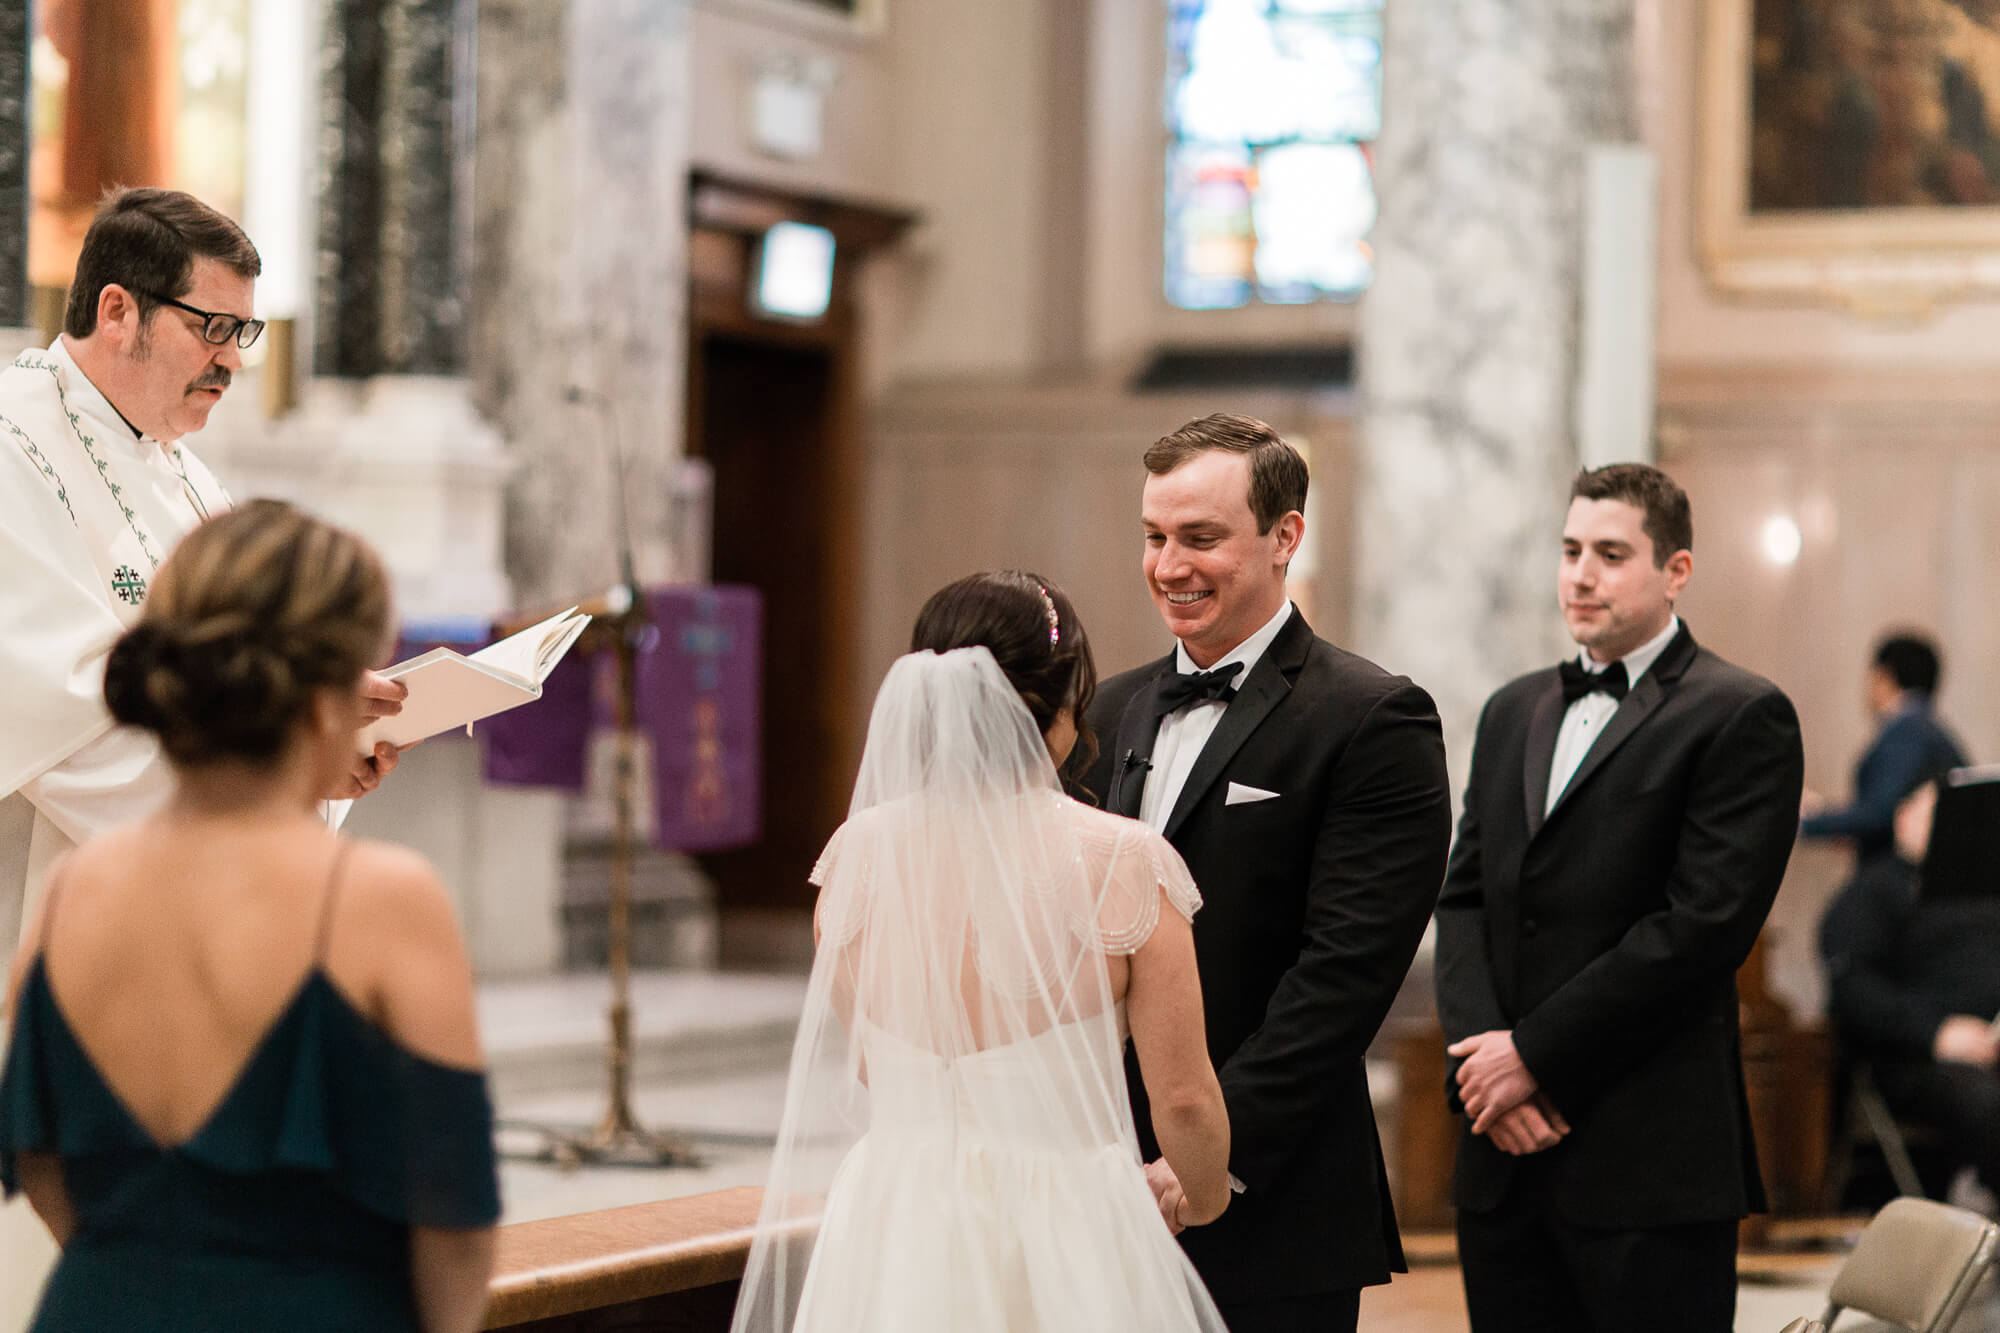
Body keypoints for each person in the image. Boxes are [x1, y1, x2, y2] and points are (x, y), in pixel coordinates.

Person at [0, 500, 500, 1332]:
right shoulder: (384, 900)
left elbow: (40, 1163)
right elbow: (455, 1222)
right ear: (325, 700)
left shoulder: (71, 892)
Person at [732, 571, 1233, 1333]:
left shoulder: (856, 858)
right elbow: (1186, 1099)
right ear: (1064, 705)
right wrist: (1204, 1194)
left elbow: (870, 1060)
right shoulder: (1124, 862)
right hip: (1065, 1224)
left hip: (895, 1218)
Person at [1074, 415, 1453, 1333]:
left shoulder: (1373, 718)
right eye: (1155, 537)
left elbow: (1343, 975)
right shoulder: (1108, 709)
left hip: (1270, 1195)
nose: (1170, 565)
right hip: (1092, 1190)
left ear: (1286, 536)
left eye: (1201, 538)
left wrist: (1206, 1154)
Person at [1434, 463, 1805, 1333]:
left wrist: (1534, 1054)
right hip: (1503, 1153)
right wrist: (1488, 1074)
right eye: (1569, 550)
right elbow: (1464, 903)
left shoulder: (1740, 713)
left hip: (1649, 1158)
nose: (1581, 574)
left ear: (1676, 570)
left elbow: (1702, 928)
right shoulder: (1511, 708)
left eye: (1610, 553)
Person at [0, 187, 407, 950]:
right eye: (212, 327)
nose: (232, 359)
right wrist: (279, 771)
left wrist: (319, 733)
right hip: (54, 918)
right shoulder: (11, 446)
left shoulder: (186, 475)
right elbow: (62, 710)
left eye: (243, 330)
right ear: (117, 310)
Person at [1821, 779, 2000, 1207]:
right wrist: (1937, 1032)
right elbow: (1853, 986)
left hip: (1989, 1043)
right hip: (1917, 1056)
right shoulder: (1874, 891)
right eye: (1932, 809)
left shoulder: (1982, 889)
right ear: (1904, 817)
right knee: (1984, 1102)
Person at [1800, 631, 1966, 867]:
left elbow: (1880, 813)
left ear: (1883, 676)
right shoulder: (1925, 727)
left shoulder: (1908, 729)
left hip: (1902, 880)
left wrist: (1809, 822)